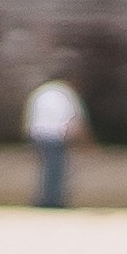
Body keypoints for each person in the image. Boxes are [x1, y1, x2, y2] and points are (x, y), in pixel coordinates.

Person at [21, 71, 87, 210]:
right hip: (56, 135)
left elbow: (30, 115)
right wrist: (84, 142)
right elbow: (74, 120)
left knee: (45, 169)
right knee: (57, 170)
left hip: (38, 135)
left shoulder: (40, 91)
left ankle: (43, 200)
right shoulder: (66, 93)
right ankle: (53, 201)